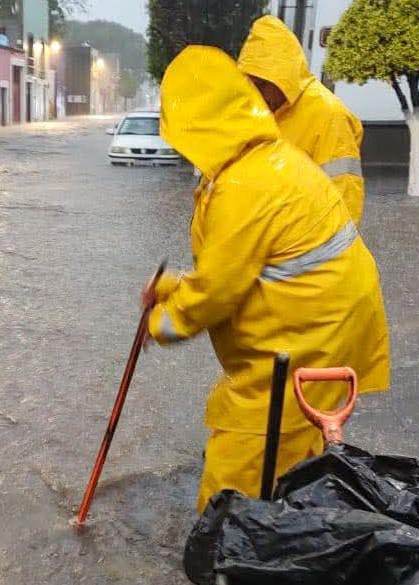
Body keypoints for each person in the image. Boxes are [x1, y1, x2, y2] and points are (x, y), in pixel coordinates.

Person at [142, 46, 390, 515]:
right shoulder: (266, 160)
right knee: (293, 459)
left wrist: (161, 322)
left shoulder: (244, 185)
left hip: (307, 340)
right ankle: (291, 533)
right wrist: (174, 287)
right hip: (321, 325)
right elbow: (241, 266)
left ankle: (228, 564)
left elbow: (217, 293)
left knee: (238, 465)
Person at [237, 15, 366, 226]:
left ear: (282, 77)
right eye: (250, 85)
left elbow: (344, 199)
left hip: (306, 248)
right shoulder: (260, 114)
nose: (257, 95)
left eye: (261, 85)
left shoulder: (328, 115)